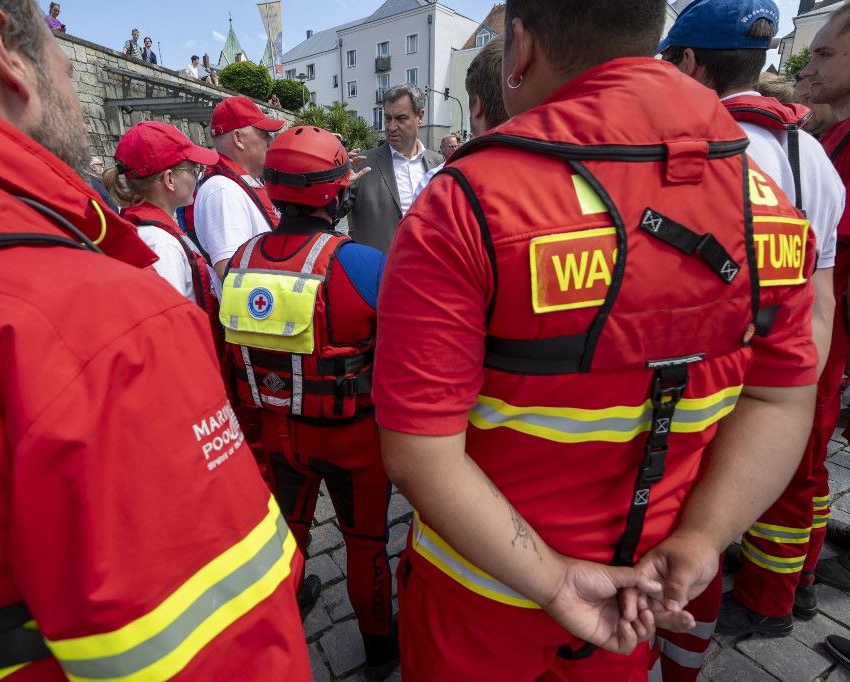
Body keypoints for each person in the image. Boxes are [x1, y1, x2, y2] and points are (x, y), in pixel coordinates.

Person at [0, 2, 312, 680]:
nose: (73, 87)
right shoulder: (97, 313)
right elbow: (226, 646)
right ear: (3, 49)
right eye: (64, 64)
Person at [372, 0, 819, 679]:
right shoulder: (768, 205)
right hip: (638, 592)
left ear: (518, 48)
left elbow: (419, 451)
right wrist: (703, 539)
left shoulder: (467, 201)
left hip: (479, 595)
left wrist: (553, 582)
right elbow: (780, 400)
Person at [653, 3, 844, 676]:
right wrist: (791, 402)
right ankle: (689, 657)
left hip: (705, 380)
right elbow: (818, 302)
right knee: (718, 531)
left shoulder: (688, 151)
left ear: (687, 64)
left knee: (682, 530)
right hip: (785, 377)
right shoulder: (815, 156)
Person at [218, 125, 399, 680]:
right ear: (336, 194)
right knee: (366, 544)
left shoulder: (236, 265)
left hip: (276, 436)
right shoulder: (364, 264)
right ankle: (379, 654)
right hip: (352, 442)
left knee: (286, 538)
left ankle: (282, 632)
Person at [795, 2, 850, 595]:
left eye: (825, 53)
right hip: (822, 336)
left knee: (801, 463)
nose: (809, 68)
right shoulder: (830, 133)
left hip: (825, 340)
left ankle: (775, 594)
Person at [107, 122, 218, 316]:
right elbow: (171, 324)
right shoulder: (162, 245)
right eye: (193, 171)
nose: (197, 178)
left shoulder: (145, 231)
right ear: (169, 180)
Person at [194, 96, 284, 290]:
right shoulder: (223, 190)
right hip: (255, 314)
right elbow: (230, 269)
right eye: (264, 134)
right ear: (238, 139)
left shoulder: (238, 184)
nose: (270, 141)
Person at [347, 84, 443, 253]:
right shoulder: (361, 163)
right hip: (376, 272)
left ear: (420, 116)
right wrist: (336, 181)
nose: (391, 127)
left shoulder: (437, 163)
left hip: (424, 269)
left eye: (401, 118)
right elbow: (332, 213)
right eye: (387, 118)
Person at [412, 38, 509, 201]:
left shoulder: (440, 186)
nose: (454, 149)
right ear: (441, 148)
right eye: (451, 146)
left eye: (456, 145)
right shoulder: (560, 172)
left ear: (477, 107)